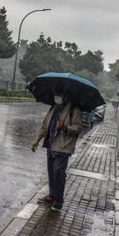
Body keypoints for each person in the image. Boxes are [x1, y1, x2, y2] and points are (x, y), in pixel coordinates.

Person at [31, 84, 82, 212]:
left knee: (58, 174)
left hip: (63, 147)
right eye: (56, 94)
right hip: (50, 144)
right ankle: (51, 195)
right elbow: (44, 126)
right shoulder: (53, 108)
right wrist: (37, 140)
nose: (57, 97)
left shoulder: (73, 110)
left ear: (65, 96)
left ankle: (59, 201)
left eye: (59, 94)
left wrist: (65, 128)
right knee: (51, 172)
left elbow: (78, 128)